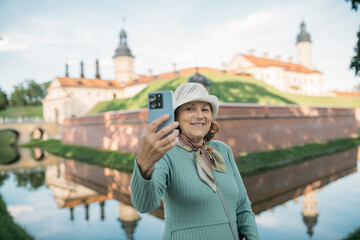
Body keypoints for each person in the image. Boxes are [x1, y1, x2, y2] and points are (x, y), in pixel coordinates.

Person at [130, 83, 260, 240]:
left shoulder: (222, 150)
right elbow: (144, 205)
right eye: (189, 108)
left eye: (205, 109)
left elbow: (243, 205)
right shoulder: (165, 152)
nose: (199, 115)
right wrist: (144, 163)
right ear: (176, 117)